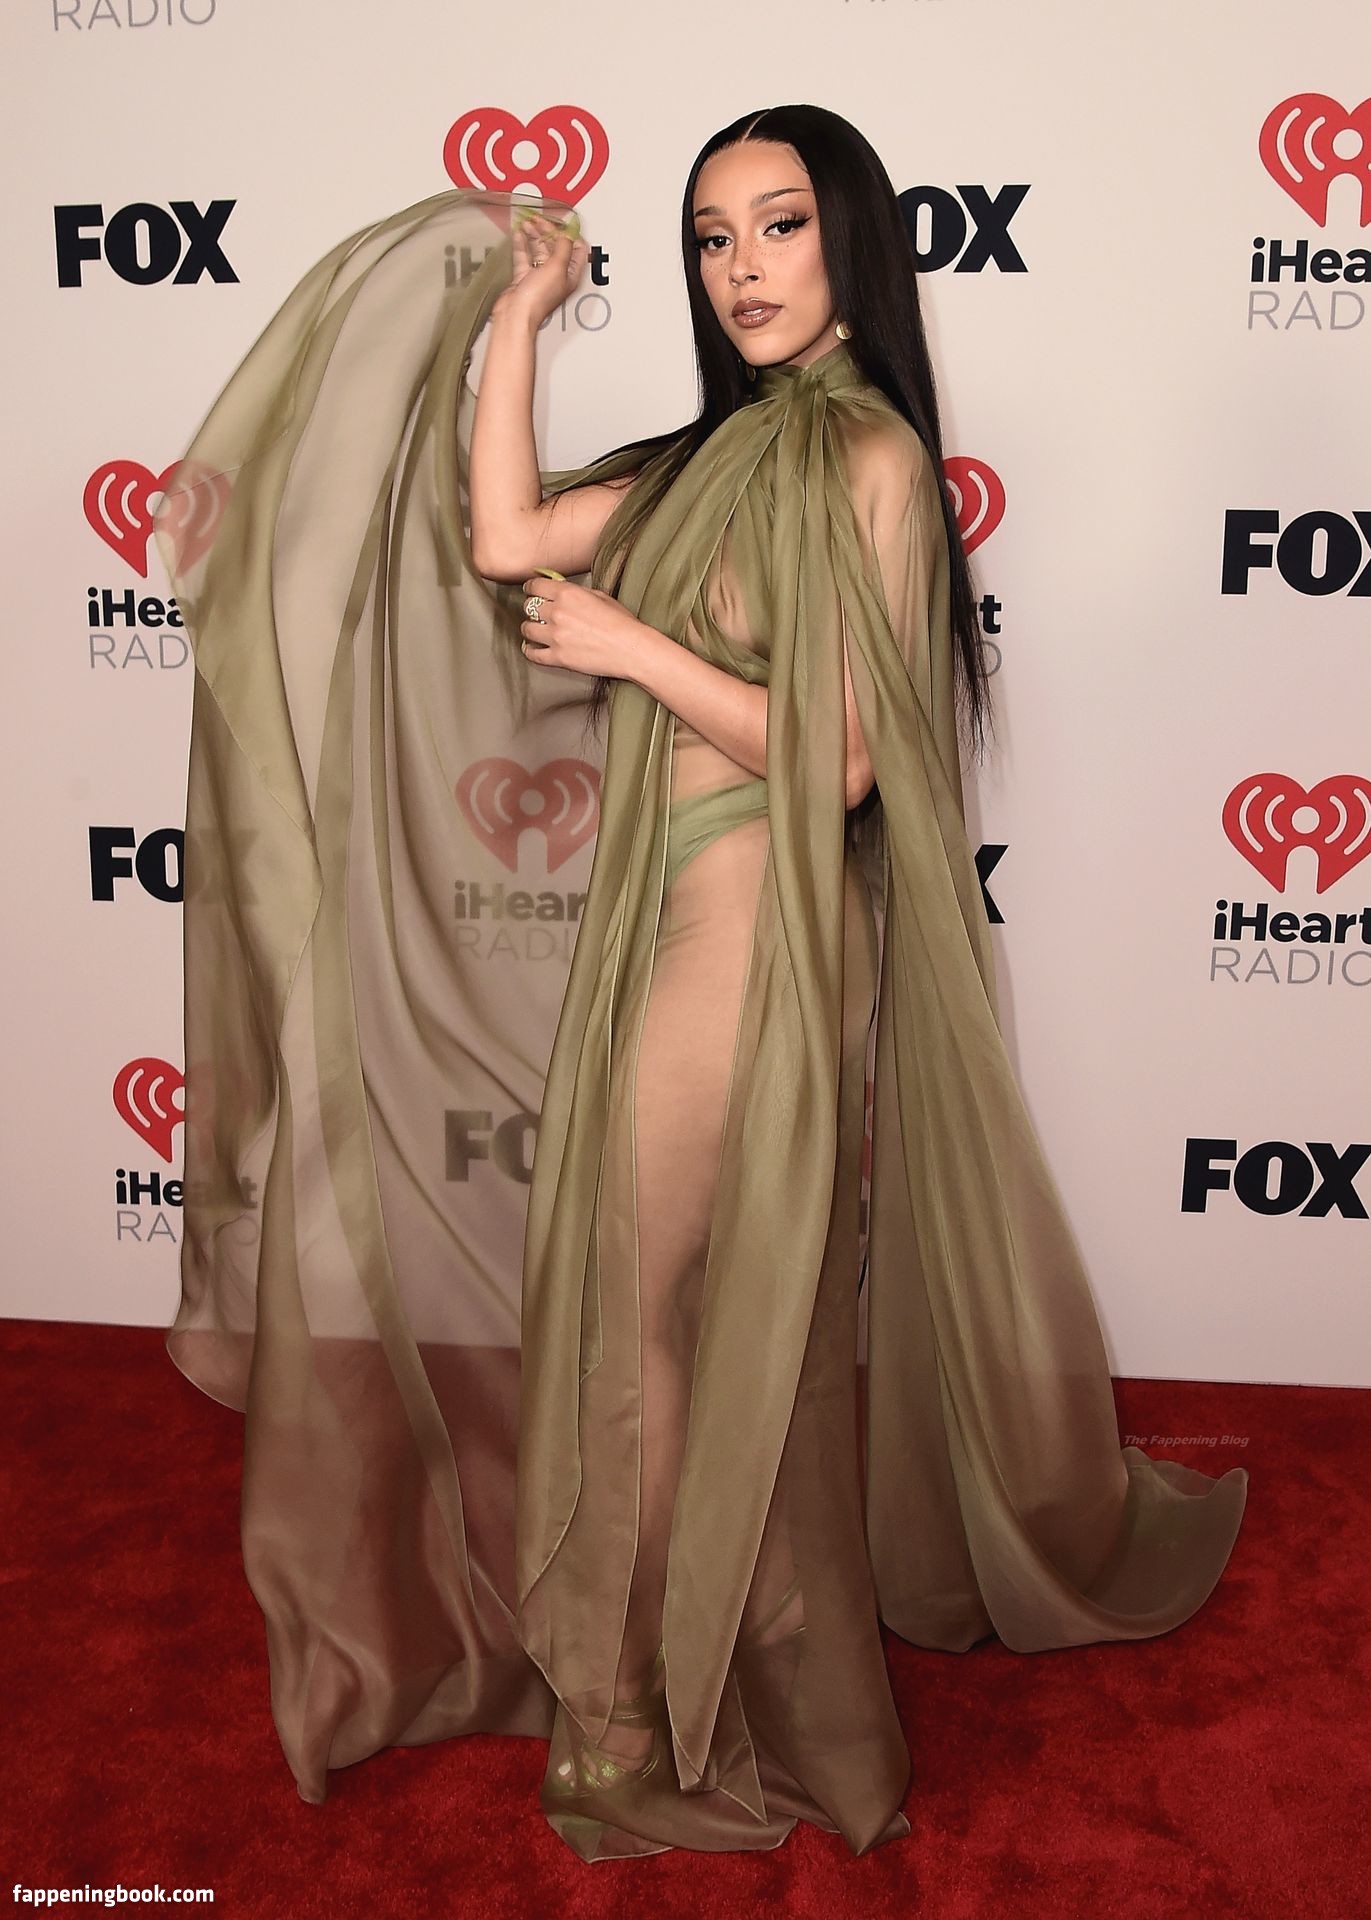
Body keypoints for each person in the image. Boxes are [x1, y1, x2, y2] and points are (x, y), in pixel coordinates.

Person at [155, 103, 1248, 1865]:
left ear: (851, 241)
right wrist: (522, 318)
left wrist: (632, 649)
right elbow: (506, 535)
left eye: (780, 225)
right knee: (643, 1311)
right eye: (711, 236)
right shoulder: (702, 457)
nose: (743, 267)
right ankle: (664, 1654)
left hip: (759, 943)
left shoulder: (875, 459)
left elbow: (845, 761)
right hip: (655, 929)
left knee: (636, 1304)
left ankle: (640, 1694)